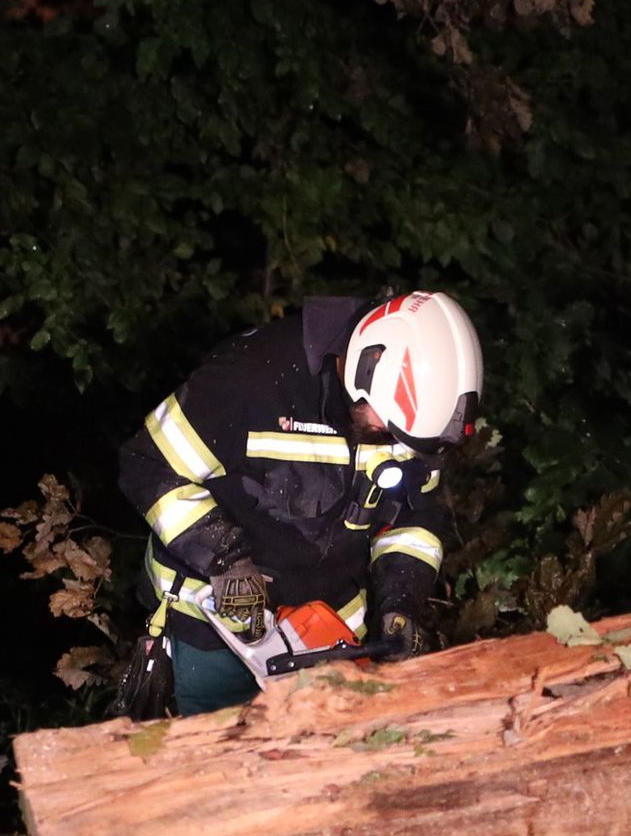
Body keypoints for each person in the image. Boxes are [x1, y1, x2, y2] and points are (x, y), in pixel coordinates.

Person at [114, 292, 483, 716]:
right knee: (222, 764)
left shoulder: (413, 423)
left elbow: (412, 519)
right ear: (366, 368)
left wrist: (400, 600)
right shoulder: (250, 380)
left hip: (330, 630)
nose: (395, 443)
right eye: (388, 430)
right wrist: (223, 558)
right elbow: (148, 465)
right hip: (216, 628)